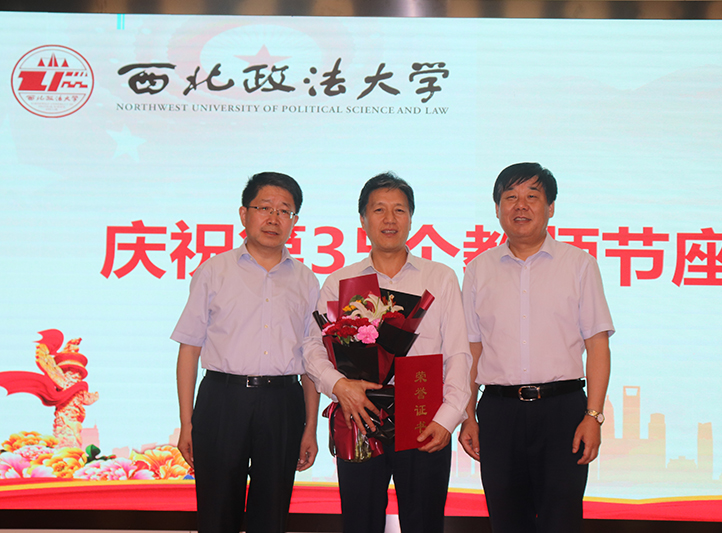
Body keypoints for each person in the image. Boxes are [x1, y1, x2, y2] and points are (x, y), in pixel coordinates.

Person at [303, 172, 472, 533]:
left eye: (399, 210)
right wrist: (339, 386)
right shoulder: (339, 282)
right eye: (379, 209)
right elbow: (313, 348)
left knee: (424, 522)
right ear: (363, 219)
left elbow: (458, 354)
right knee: (360, 521)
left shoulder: (440, 277)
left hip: (423, 412)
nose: (389, 219)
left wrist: (448, 418)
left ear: (411, 218)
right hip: (359, 410)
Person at [459, 162, 614, 533]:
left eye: (532, 196)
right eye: (510, 197)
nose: (520, 206)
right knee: (506, 520)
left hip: (563, 412)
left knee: (562, 520)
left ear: (551, 207)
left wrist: (593, 416)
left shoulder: (579, 265)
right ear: (497, 209)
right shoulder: (478, 270)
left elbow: (597, 345)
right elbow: (471, 350)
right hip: (499, 413)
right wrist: (467, 415)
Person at [172, 172, 320, 533]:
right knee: (216, 511)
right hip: (223, 399)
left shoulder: (306, 280)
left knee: (271, 514)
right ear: (244, 213)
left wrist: (311, 427)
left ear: (294, 221)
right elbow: (189, 349)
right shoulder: (214, 271)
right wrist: (187, 422)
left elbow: (311, 360)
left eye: (284, 211)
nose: (274, 218)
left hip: (283, 402)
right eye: (264, 208)